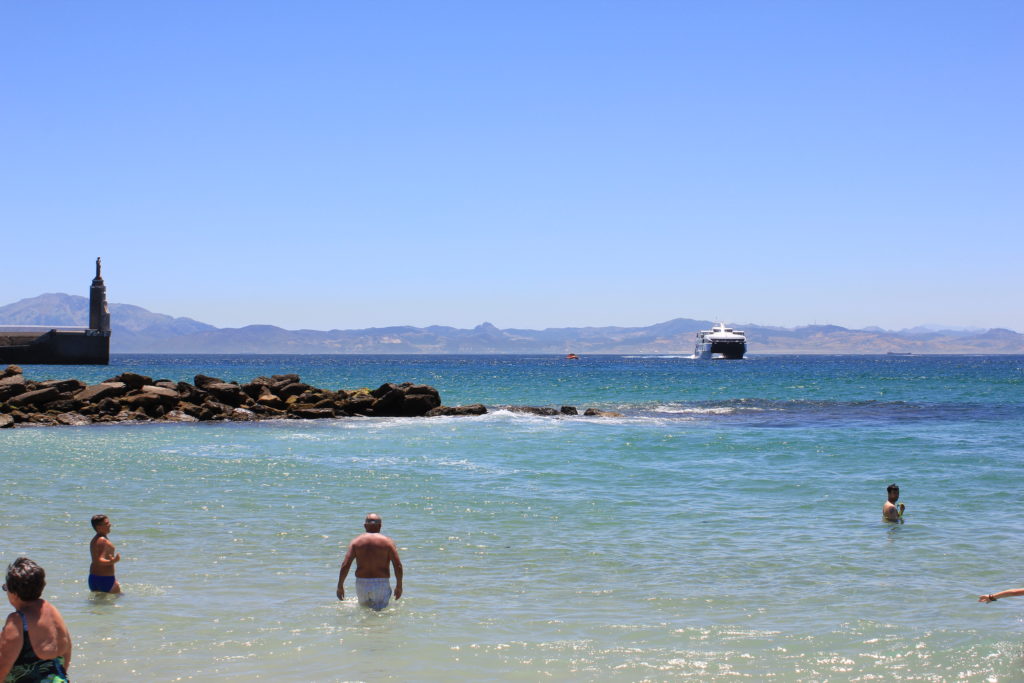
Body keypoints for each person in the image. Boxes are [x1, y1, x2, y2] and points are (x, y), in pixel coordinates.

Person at [0, 557, 72, 682]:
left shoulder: (17, 621)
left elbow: (3, 666)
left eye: (6, 588)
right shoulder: (53, 611)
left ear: (14, 593)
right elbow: (66, 652)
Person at [336, 514, 403, 610]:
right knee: (380, 614)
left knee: (364, 611)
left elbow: (345, 565)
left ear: (365, 525)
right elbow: (398, 566)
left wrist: (340, 586)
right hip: (381, 583)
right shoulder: (388, 542)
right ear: (380, 526)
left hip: (361, 583)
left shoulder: (356, 542)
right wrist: (399, 586)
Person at [88, 514, 121, 594]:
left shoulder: (95, 539)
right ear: (99, 527)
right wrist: (113, 561)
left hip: (94, 578)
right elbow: (98, 560)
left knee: (99, 604)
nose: (110, 525)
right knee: (118, 600)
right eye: (106, 523)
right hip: (105, 579)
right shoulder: (102, 540)